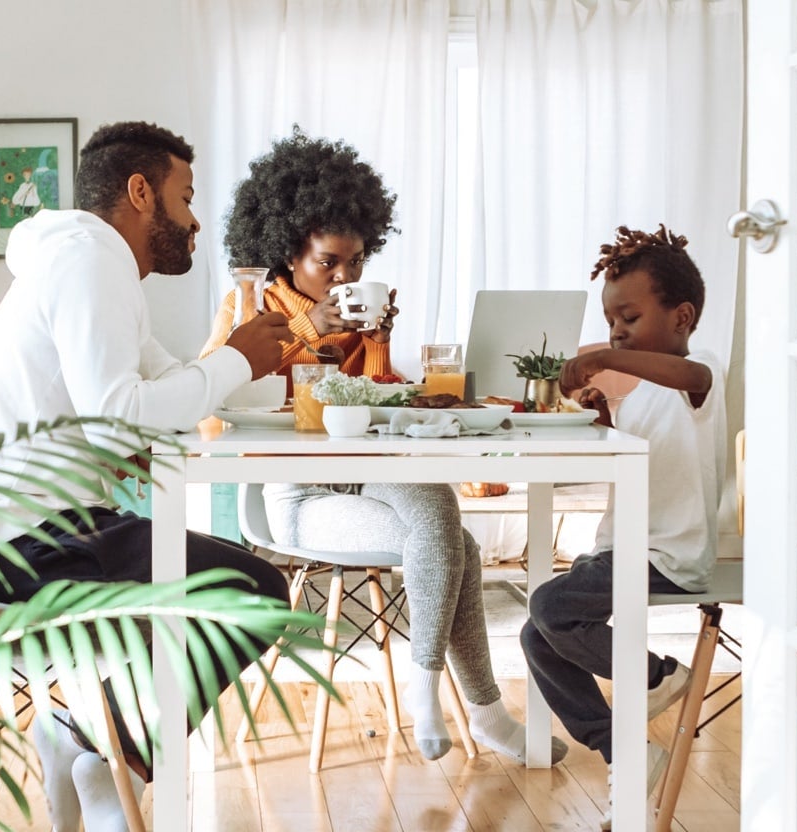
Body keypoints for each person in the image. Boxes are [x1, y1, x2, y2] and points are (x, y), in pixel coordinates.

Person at [200, 127, 566, 767]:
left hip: (367, 472)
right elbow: (215, 397)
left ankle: (430, 687)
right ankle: (477, 709)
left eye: (357, 262)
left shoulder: (355, 311)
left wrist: (376, 344)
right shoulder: (250, 306)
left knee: (439, 511)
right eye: (329, 263)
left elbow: (371, 408)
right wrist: (309, 328)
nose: (346, 276)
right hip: (299, 492)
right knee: (457, 541)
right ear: (288, 251)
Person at [0, 121, 294, 832]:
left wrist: (243, 358)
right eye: (185, 198)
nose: (193, 222)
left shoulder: (90, 265)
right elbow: (121, 412)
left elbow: (163, 391)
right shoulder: (90, 262)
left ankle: (84, 741)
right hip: (23, 538)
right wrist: (238, 360)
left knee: (232, 589)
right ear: (139, 191)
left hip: (38, 523)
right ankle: (99, 750)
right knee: (253, 591)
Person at [519, 224, 726, 829]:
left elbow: (689, 382)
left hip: (667, 553)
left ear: (682, 317)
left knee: (551, 609)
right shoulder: (641, 396)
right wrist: (605, 412)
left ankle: (661, 676)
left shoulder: (701, 373)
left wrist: (606, 359)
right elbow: (637, 457)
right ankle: (626, 750)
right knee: (537, 636)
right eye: (611, 322)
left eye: (629, 319)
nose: (615, 333)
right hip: (621, 547)